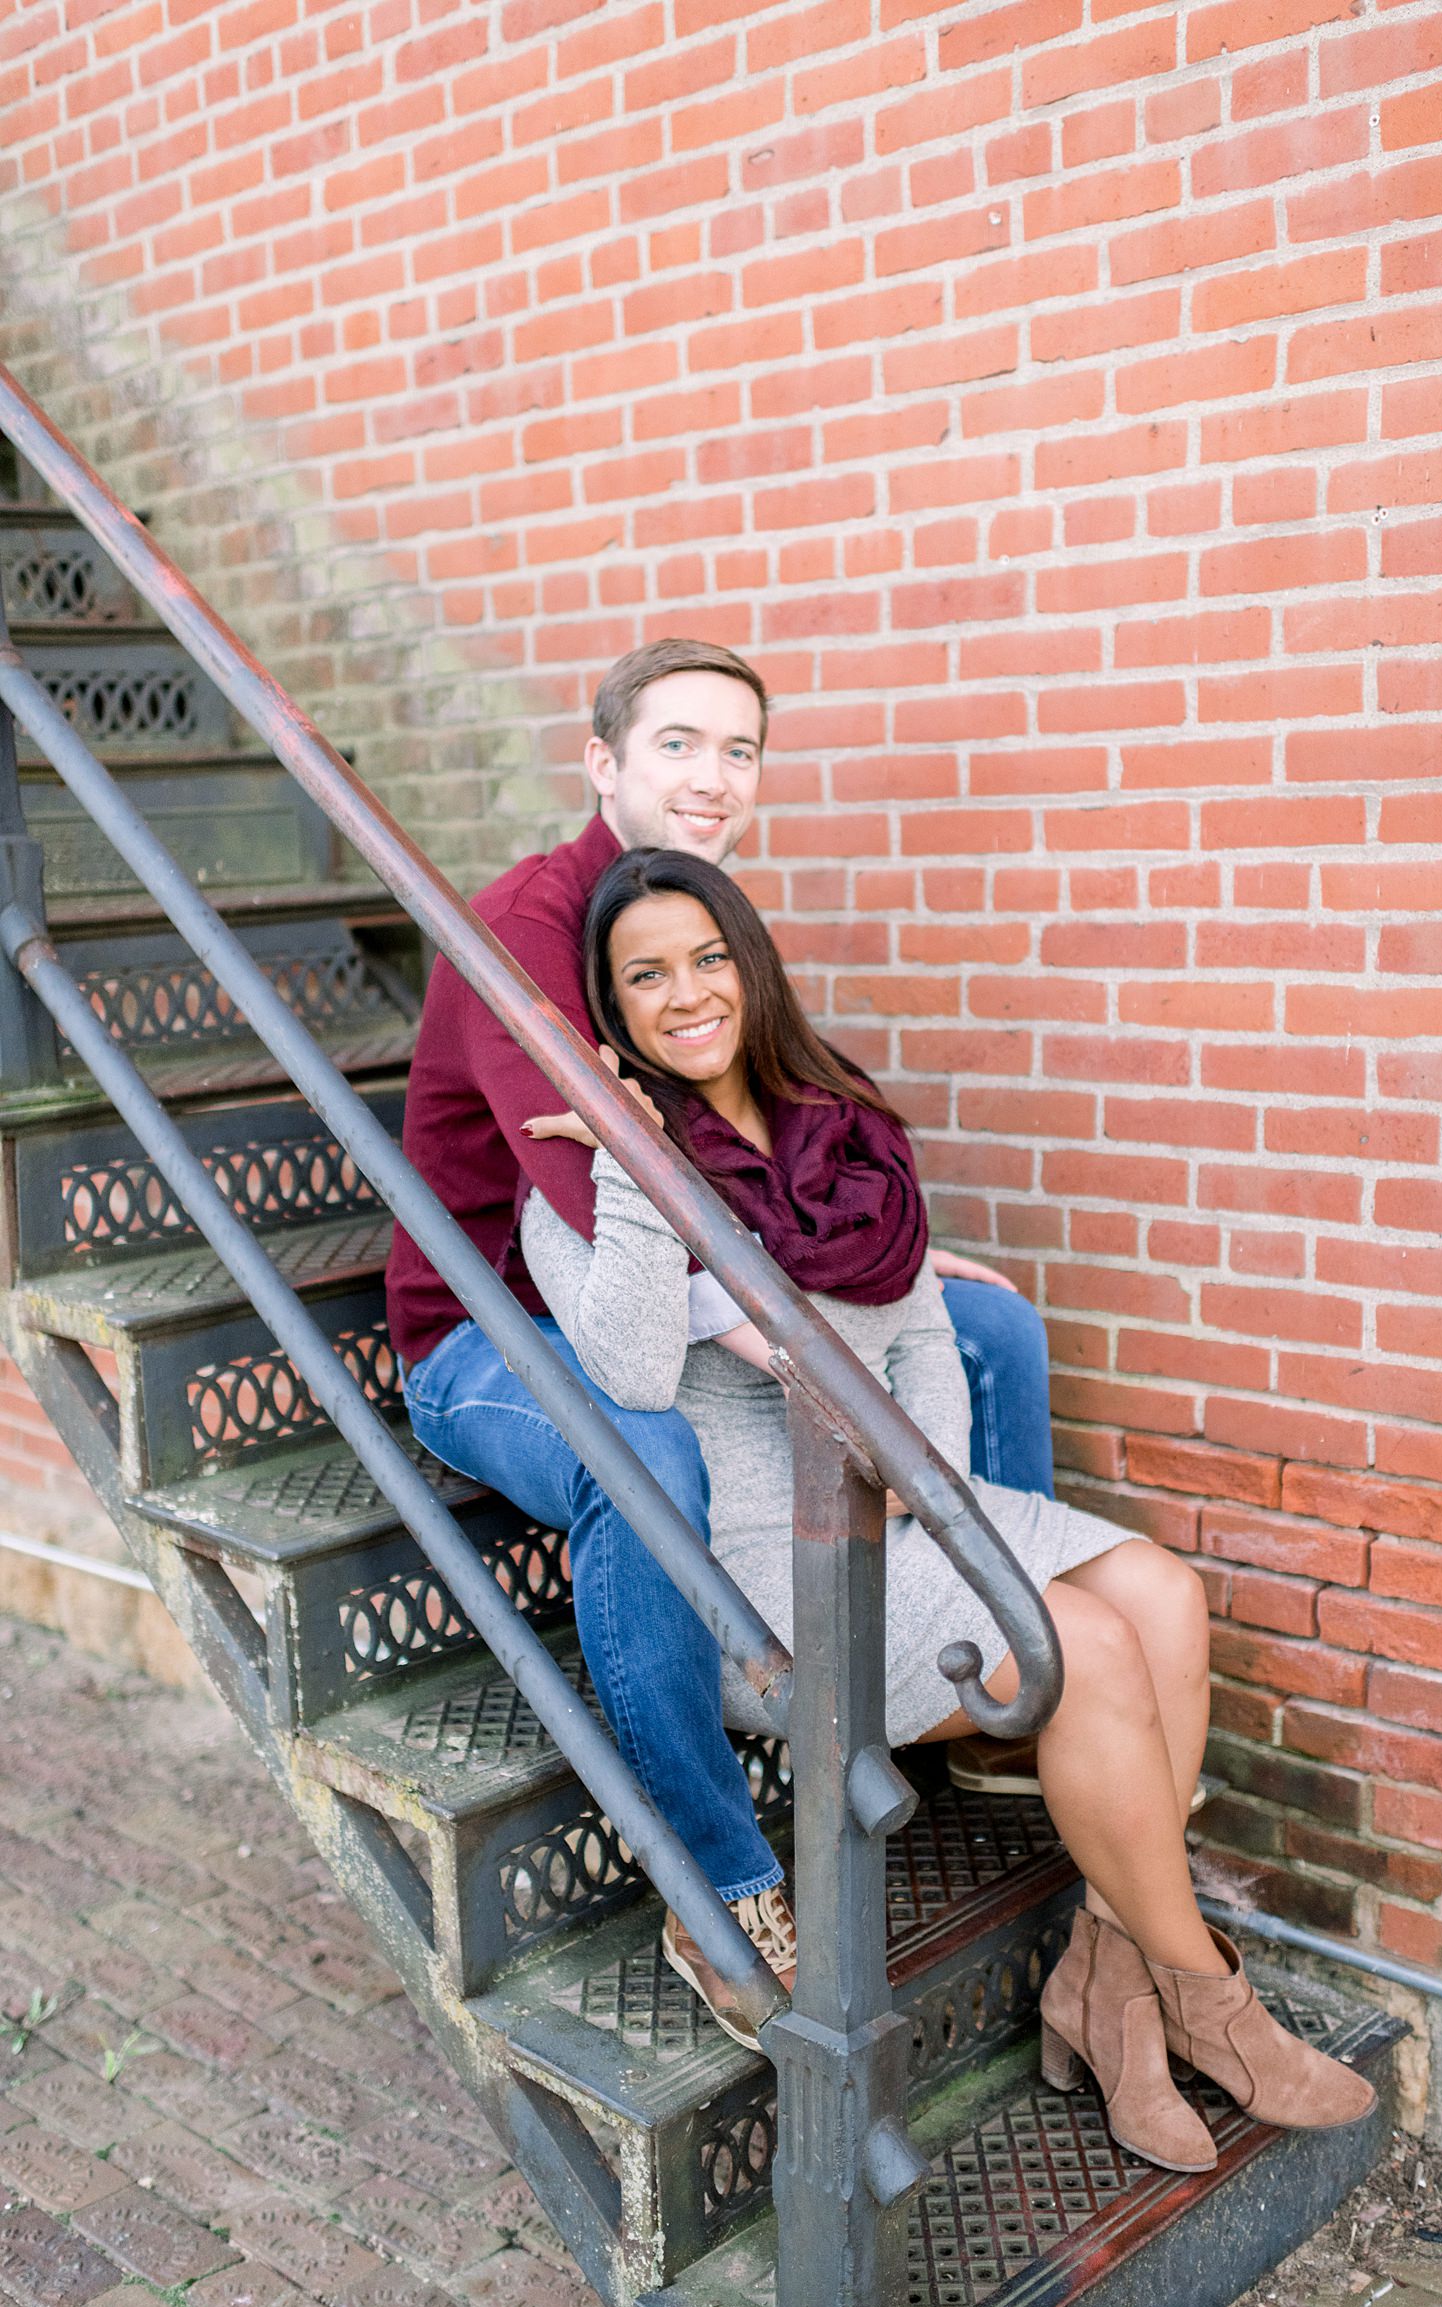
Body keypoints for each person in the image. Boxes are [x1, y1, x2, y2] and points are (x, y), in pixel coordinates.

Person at [516, 846, 1376, 2172]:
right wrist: (633, 1162)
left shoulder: (838, 1126)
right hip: (774, 1567)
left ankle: (1106, 1982)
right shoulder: (574, 1182)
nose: (684, 992)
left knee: (1161, 1595)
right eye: (643, 976)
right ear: (610, 1010)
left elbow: (917, 1334)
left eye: (704, 957)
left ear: (748, 965)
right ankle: (1214, 2000)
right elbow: (626, 1371)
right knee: (1078, 1647)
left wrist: (933, 1499)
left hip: (914, 1501)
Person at [386, 639, 1055, 2009]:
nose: (714, 779)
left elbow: (756, 1122)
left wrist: (886, 1266)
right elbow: (584, 1180)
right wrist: (795, 1335)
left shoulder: (674, 903)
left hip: (656, 1287)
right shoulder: (528, 923)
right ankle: (720, 1883)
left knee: (995, 1337)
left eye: (740, 750)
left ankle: (988, 1666)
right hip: (496, 1323)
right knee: (647, 1461)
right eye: (678, 745)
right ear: (603, 765)